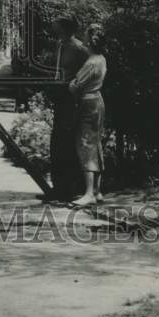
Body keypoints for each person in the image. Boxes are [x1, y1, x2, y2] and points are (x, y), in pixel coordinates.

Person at [49, 15, 90, 201]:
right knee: (57, 142)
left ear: (65, 28)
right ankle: (57, 187)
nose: (53, 25)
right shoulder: (59, 44)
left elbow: (86, 75)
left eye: (57, 23)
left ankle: (72, 188)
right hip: (59, 96)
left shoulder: (80, 49)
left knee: (68, 142)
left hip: (71, 99)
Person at [68, 24, 108, 207]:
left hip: (88, 102)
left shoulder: (91, 62)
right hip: (97, 101)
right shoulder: (101, 58)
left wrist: (71, 85)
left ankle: (89, 193)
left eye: (86, 37)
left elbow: (76, 86)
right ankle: (98, 191)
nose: (83, 39)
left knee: (85, 144)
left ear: (91, 41)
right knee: (96, 142)